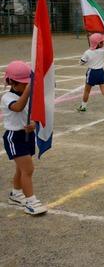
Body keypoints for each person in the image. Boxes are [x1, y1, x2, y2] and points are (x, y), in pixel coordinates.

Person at [2, 61, 47, 215]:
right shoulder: (7, 97)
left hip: (26, 135)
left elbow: (29, 112)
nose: (27, 86)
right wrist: (28, 91)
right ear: (13, 83)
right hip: (14, 137)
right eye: (24, 84)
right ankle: (30, 201)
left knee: (21, 169)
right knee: (28, 169)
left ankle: (16, 193)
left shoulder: (25, 94)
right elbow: (18, 107)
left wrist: (33, 124)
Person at [77, 33, 104, 114]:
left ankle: (83, 106)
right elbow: (96, 49)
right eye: (101, 42)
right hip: (101, 72)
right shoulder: (103, 50)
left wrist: (87, 55)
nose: (103, 43)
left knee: (86, 91)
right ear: (98, 44)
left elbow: (81, 62)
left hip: (92, 73)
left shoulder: (87, 52)